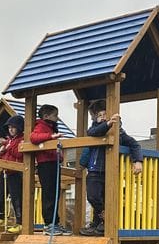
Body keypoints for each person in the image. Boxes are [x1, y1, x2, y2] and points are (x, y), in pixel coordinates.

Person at [79, 100, 143, 236]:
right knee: (93, 196)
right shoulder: (93, 129)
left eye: (105, 114)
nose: (102, 117)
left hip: (110, 171)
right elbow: (94, 132)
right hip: (94, 170)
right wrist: (107, 124)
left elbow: (134, 144)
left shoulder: (118, 133)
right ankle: (105, 219)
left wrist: (137, 161)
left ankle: (98, 224)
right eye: (99, 115)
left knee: (104, 198)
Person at [30, 104, 69, 235]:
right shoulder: (41, 126)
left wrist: (60, 155)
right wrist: (50, 137)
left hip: (54, 162)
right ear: (46, 116)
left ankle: (55, 222)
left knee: (55, 193)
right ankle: (48, 224)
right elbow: (33, 138)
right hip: (45, 164)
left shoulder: (51, 127)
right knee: (49, 193)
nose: (57, 118)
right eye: (55, 115)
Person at [0, 115, 23, 226]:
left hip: (16, 173)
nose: (11, 129)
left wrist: (7, 146)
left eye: (13, 127)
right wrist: (3, 150)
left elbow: (19, 153)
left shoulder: (22, 140)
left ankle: (20, 223)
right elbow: (1, 157)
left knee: (16, 198)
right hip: (5, 171)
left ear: (19, 128)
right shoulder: (9, 140)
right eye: (9, 127)